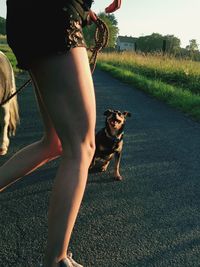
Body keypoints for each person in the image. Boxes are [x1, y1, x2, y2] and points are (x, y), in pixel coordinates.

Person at [1, 0, 122, 266]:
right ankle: (56, 259)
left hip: (29, 19)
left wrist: (81, 10)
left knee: (55, 142)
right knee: (82, 147)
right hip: (53, 17)